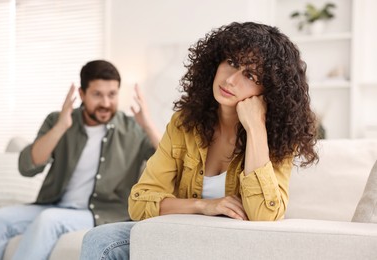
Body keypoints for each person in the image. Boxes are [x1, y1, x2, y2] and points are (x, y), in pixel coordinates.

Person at [80, 21, 319, 259]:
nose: (230, 80)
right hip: (181, 233)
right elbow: (140, 202)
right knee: (99, 239)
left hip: (237, 246)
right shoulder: (185, 123)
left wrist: (256, 128)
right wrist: (205, 206)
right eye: (232, 63)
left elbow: (264, 216)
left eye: (250, 75)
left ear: (269, 91)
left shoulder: (279, 136)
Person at [0, 60, 161, 260]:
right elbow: (27, 167)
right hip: (52, 204)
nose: (105, 103)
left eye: (112, 94)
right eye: (97, 94)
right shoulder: (58, 120)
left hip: (100, 212)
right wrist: (61, 126)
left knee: (49, 220)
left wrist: (147, 124)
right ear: (82, 94)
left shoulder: (133, 129)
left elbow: (170, 162)